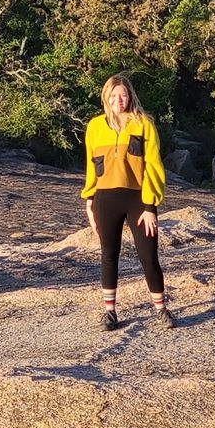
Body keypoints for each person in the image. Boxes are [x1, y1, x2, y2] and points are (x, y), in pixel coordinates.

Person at [81, 73, 175, 331]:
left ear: (130, 96)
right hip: (105, 199)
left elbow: (153, 167)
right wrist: (89, 200)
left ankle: (161, 310)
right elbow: (91, 167)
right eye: (113, 96)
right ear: (106, 98)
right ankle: (110, 313)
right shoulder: (95, 127)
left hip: (137, 200)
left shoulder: (143, 124)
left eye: (122, 95)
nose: (118, 100)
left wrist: (150, 206)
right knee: (109, 255)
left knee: (148, 256)